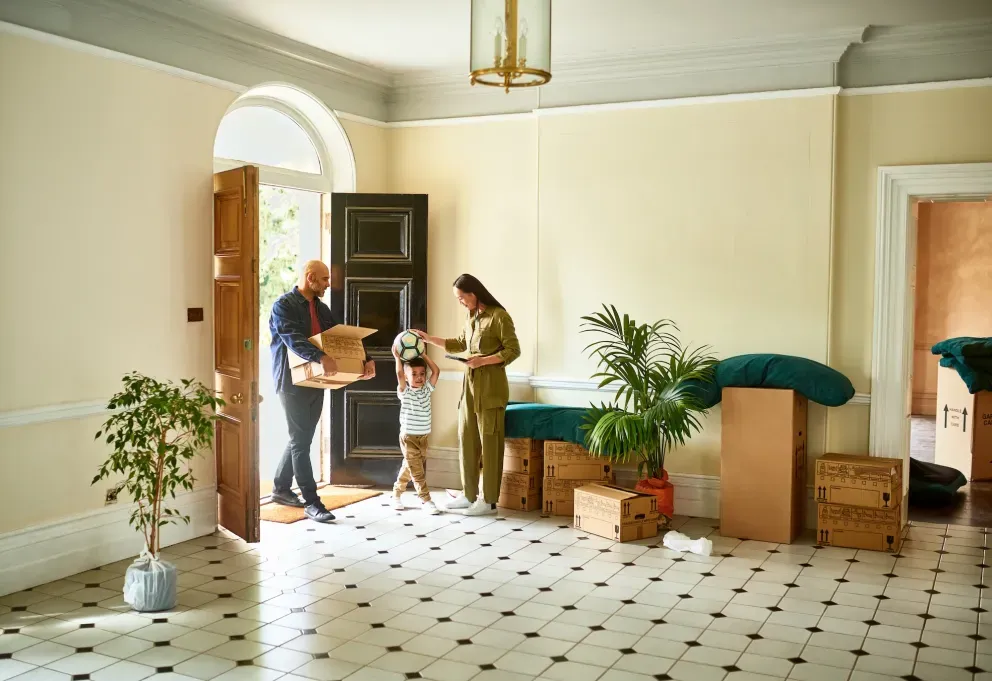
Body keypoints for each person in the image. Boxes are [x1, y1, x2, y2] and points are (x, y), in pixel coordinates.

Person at [268, 260, 376, 523]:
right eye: (325, 279)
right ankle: (312, 503)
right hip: (291, 383)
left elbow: (341, 338)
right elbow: (293, 338)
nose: (329, 284)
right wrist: (320, 356)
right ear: (310, 277)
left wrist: (367, 359)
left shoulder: (321, 308)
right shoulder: (283, 306)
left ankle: (281, 488)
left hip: (316, 381)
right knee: (300, 441)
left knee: (301, 437)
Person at [414, 274, 520, 516]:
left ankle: (489, 501)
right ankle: (469, 494)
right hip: (469, 387)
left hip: (491, 389)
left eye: (462, 297)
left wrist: (483, 361)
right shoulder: (471, 317)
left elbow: (513, 350)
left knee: (490, 444)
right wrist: (429, 339)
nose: (460, 302)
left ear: (474, 293)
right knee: (467, 439)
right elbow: (460, 343)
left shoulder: (499, 316)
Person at [390, 347, 440, 515]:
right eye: (414, 374)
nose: (419, 377)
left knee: (410, 467)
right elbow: (399, 374)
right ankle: (426, 500)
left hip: (423, 437)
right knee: (418, 472)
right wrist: (397, 358)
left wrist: (424, 355)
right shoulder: (405, 391)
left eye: (422, 374)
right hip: (409, 437)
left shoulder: (427, 389)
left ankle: (396, 493)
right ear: (406, 377)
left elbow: (436, 371)